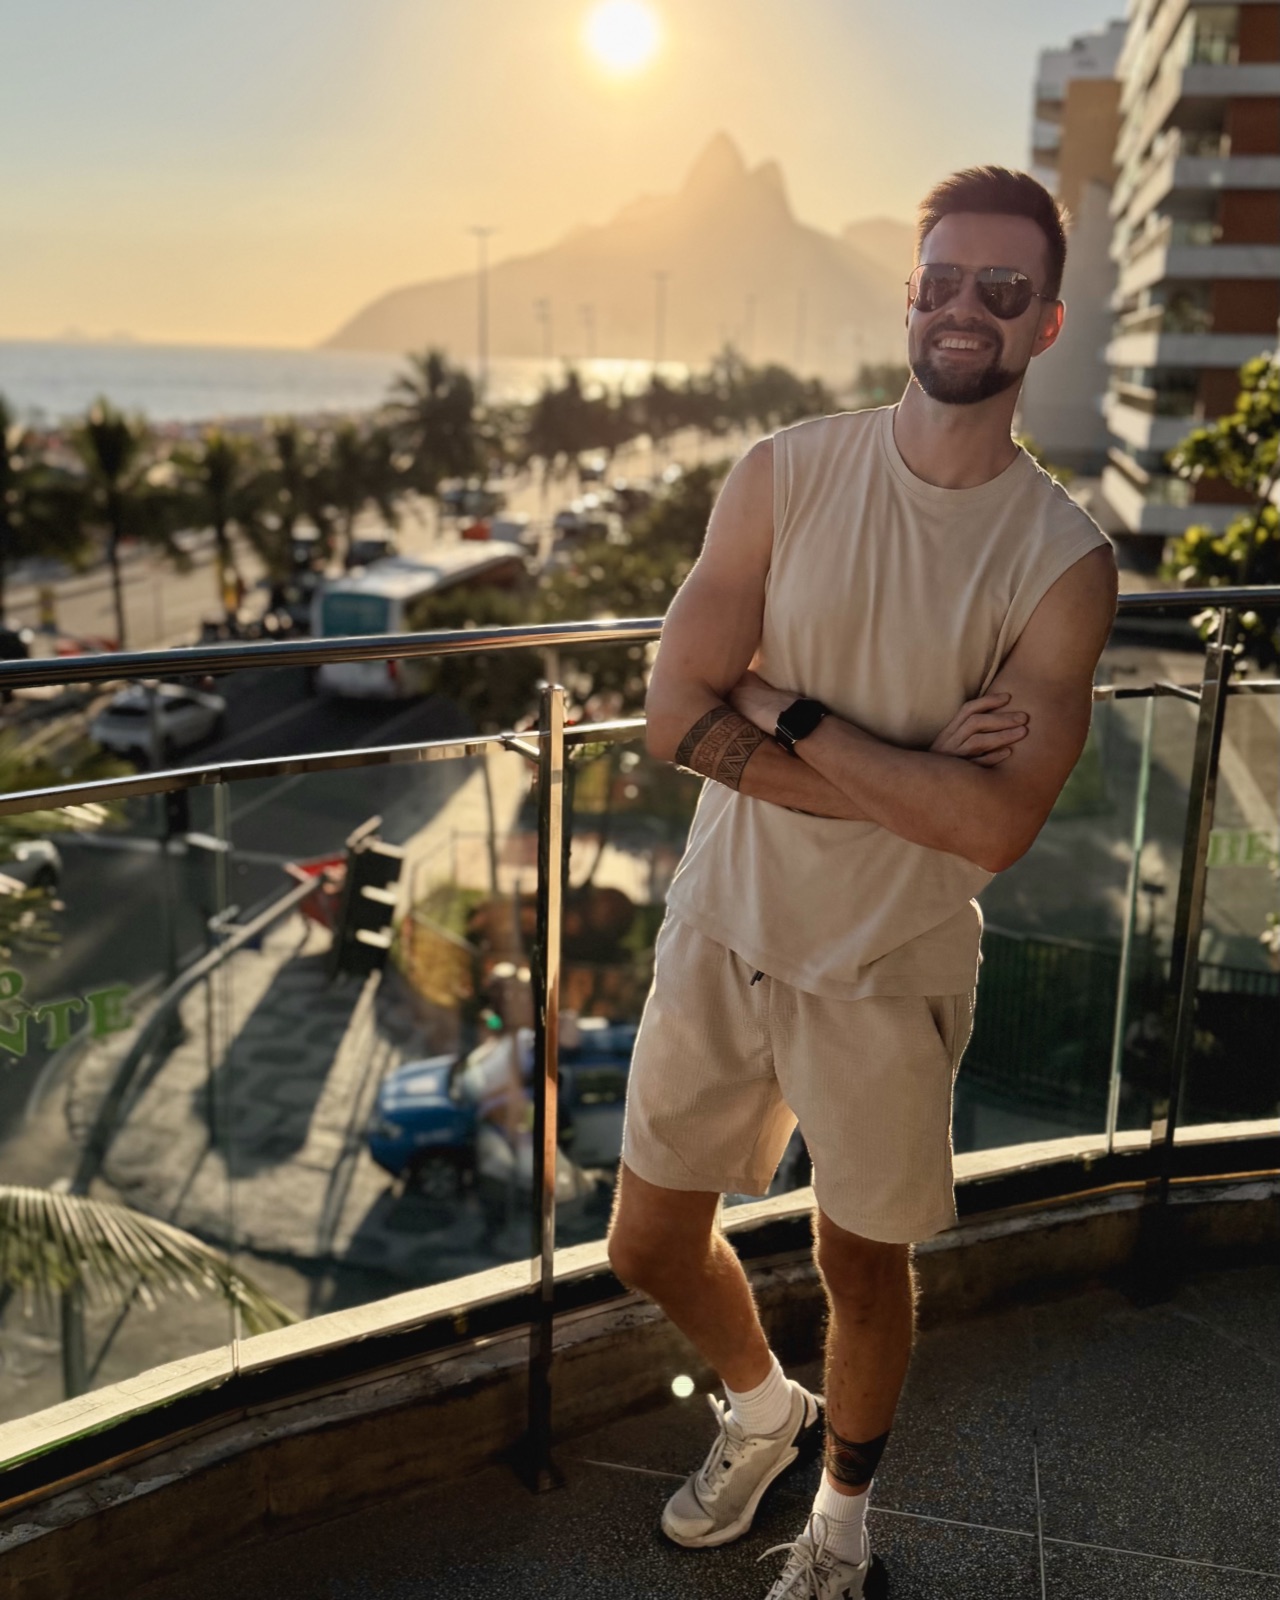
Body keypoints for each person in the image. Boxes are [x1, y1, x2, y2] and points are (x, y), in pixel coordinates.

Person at [606, 165, 1118, 1600]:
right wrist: (910, 771)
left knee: (860, 1269)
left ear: (1045, 322)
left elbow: (993, 831)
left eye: (1001, 291)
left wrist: (787, 709)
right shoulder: (784, 470)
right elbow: (670, 720)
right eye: (942, 279)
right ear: (912, 293)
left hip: (888, 967)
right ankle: (766, 1413)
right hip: (724, 927)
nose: (965, 308)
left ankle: (841, 1523)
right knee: (648, 1241)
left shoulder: (1061, 564)